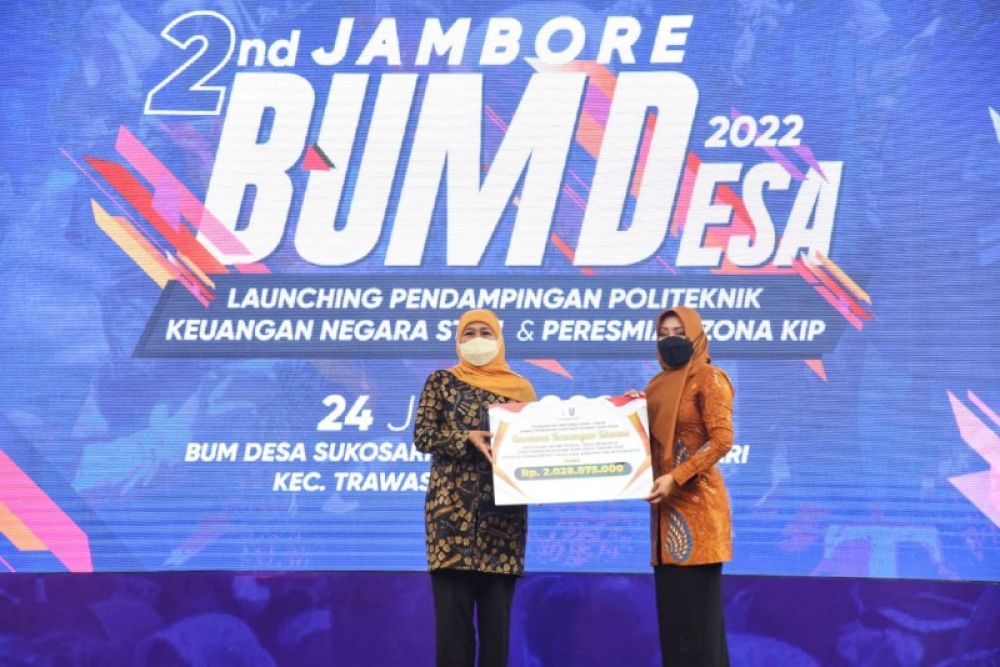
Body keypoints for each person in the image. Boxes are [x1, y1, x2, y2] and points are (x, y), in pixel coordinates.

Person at [414, 309, 537, 667]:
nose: (478, 340)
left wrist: (626, 411)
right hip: (450, 521)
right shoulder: (441, 382)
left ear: (499, 339)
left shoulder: (521, 390)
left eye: (486, 332)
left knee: (496, 634)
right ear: (458, 340)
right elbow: (423, 435)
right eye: (469, 333)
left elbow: (537, 444)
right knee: (453, 635)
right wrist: (465, 437)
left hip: (503, 522)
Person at [635, 306, 734, 666]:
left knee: (699, 632)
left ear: (696, 335)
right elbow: (649, 446)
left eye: (679, 332)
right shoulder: (655, 387)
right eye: (663, 334)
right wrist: (628, 414)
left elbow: (722, 441)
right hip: (664, 521)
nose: (671, 340)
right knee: (675, 631)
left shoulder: (710, 378)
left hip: (700, 514)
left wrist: (676, 476)